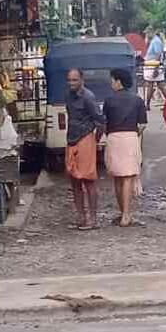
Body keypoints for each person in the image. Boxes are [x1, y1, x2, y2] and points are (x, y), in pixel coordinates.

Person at [104, 68, 148, 227]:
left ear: (118, 81)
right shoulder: (137, 100)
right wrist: (134, 133)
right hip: (130, 137)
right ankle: (127, 215)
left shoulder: (108, 100)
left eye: (112, 80)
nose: (111, 83)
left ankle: (123, 212)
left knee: (117, 176)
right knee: (128, 177)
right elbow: (142, 125)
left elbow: (105, 122)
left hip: (113, 138)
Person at [65, 69, 105, 230]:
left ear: (82, 79)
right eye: (69, 80)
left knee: (88, 181)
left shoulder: (88, 97)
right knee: (74, 180)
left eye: (75, 80)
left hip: (85, 138)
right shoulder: (68, 96)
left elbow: (100, 121)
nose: (72, 83)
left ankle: (93, 219)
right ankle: (81, 216)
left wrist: (94, 140)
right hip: (72, 139)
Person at [144, 28, 166, 110]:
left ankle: (147, 104)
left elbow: (158, 55)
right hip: (152, 64)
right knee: (160, 85)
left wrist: (156, 68)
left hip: (153, 65)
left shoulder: (156, 41)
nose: (146, 35)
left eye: (147, 33)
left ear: (151, 33)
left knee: (151, 85)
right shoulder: (154, 41)